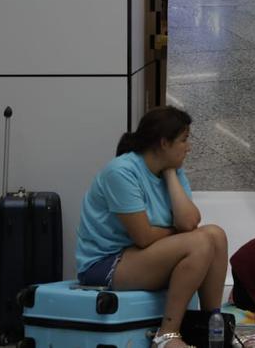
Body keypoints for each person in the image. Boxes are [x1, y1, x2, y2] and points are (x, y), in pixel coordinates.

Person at [75, 107, 227, 348]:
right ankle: (166, 335)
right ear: (164, 143)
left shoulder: (172, 170)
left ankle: (210, 325)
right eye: (184, 140)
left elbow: (189, 222)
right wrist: (178, 233)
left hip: (142, 256)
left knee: (215, 235)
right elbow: (143, 236)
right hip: (106, 262)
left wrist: (169, 174)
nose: (188, 147)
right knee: (200, 241)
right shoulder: (121, 171)